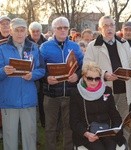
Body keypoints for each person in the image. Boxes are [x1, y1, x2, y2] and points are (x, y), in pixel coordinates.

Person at [83, 16, 131, 148]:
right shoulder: (93, 46)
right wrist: (104, 74)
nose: (109, 28)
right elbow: (86, 68)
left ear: (115, 27)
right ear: (100, 29)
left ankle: (123, 147)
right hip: (104, 92)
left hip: (124, 91)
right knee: (106, 123)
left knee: (124, 123)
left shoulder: (123, 44)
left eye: (111, 25)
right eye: (105, 25)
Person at [0, 18, 45, 150]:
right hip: (9, 100)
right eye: (16, 30)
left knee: (29, 136)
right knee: (10, 137)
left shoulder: (34, 48)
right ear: (11, 32)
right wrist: (3, 71)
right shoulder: (2, 49)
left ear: (26, 32)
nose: (20, 34)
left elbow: (42, 69)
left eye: (22, 30)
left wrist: (33, 75)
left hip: (28, 100)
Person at [40, 16, 83, 150]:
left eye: (65, 27)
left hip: (70, 94)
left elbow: (83, 66)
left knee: (69, 127)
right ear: (53, 30)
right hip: (51, 94)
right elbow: (39, 68)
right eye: (59, 28)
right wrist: (46, 78)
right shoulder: (45, 47)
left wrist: (78, 75)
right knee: (50, 128)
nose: (63, 30)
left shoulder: (75, 46)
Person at [70, 61, 126, 150]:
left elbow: (115, 115)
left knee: (111, 147)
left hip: (106, 131)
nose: (94, 82)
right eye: (90, 78)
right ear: (83, 77)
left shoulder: (106, 90)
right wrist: (86, 134)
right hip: (87, 133)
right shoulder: (76, 93)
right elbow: (74, 121)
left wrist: (115, 130)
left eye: (97, 78)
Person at [27, 21, 47, 128]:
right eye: (33, 31)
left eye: (37, 31)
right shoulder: (25, 42)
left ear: (41, 31)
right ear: (30, 32)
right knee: (32, 103)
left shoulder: (45, 42)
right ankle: (31, 124)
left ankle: (44, 123)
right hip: (30, 76)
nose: (35, 33)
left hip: (43, 77)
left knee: (42, 102)